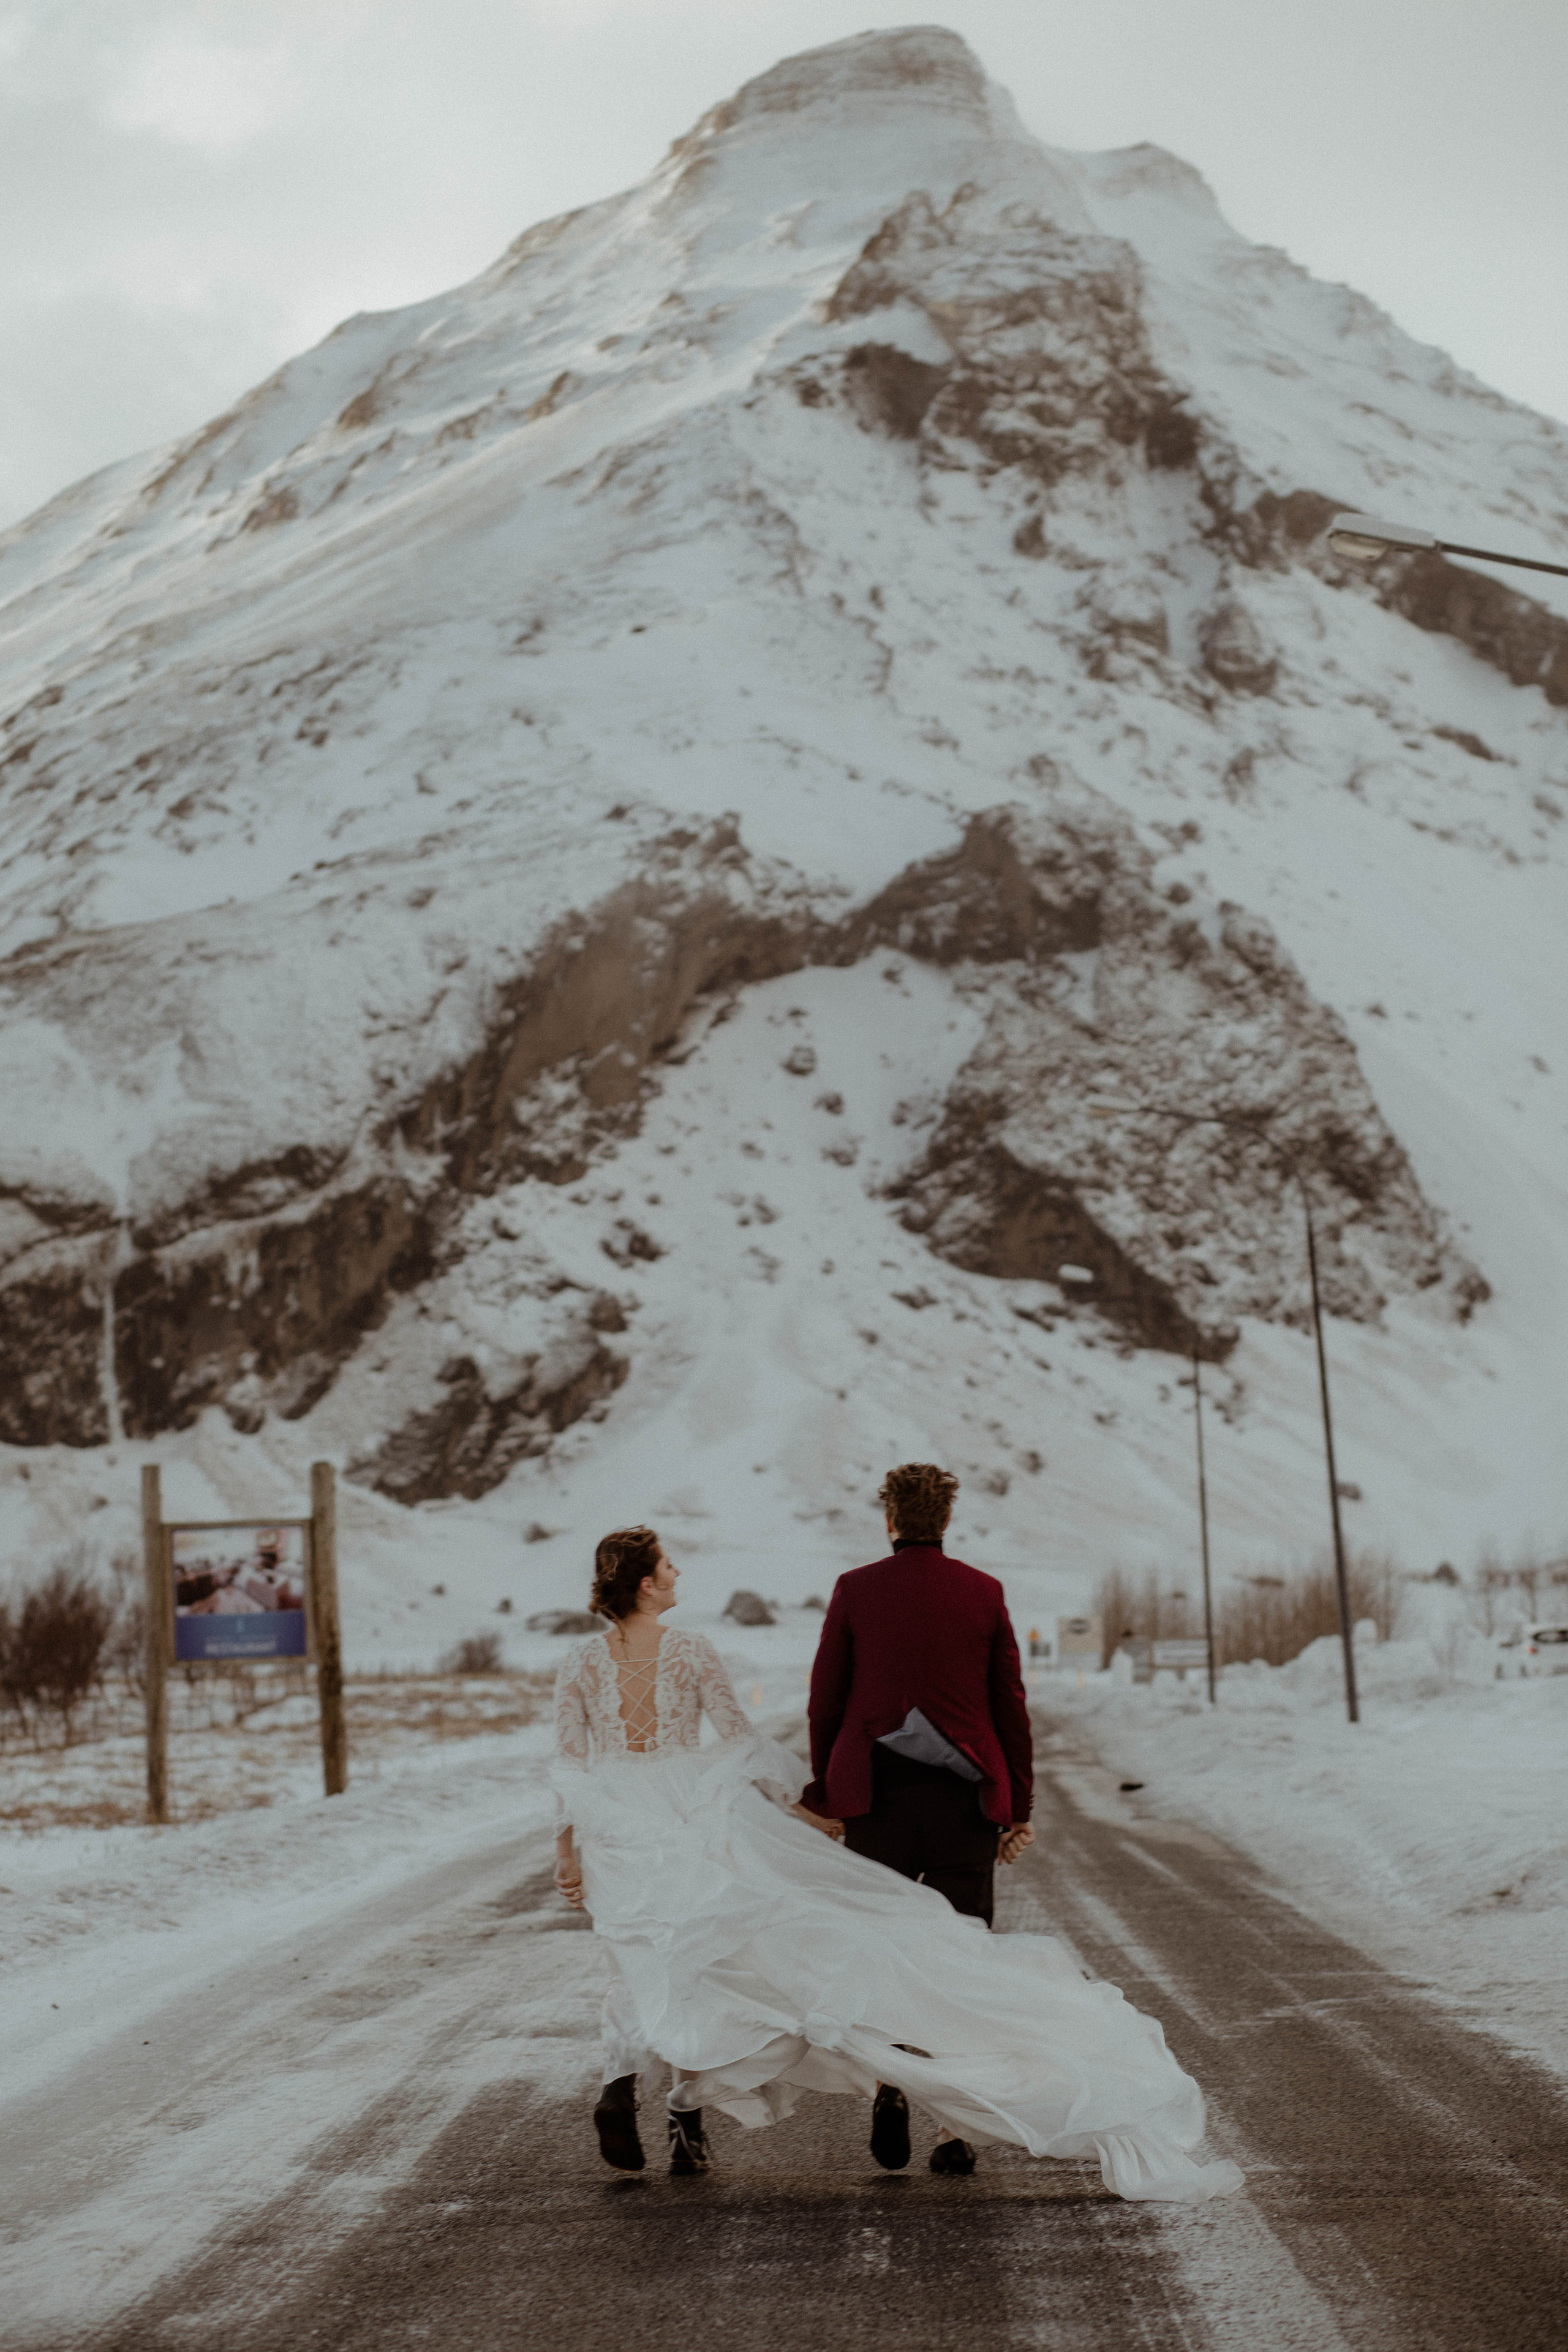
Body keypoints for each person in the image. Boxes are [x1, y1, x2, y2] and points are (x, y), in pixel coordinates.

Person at [551, 1517, 1243, 2204]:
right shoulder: (691, 1651)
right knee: (714, 1969)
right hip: (691, 1819)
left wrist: (566, 1851)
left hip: (615, 1823)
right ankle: (684, 2110)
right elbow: (737, 1743)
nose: (677, 1574)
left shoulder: (577, 1665)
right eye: (668, 1566)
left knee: (636, 1959)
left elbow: (569, 1764)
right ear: (644, 1585)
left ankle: (620, 2084)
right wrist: (805, 1808)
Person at [801, 1461, 1034, 2174]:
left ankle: (889, 2083)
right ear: (947, 1519)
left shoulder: (855, 1590)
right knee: (957, 1959)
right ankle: (951, 2127)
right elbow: (1009, 1706)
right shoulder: (983, 1592)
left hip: (878, 1798)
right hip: (963, 1801)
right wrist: (1016, 1808)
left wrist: (828, 1795)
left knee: (885, 1952)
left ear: (890, 1519)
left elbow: (825, 1701)